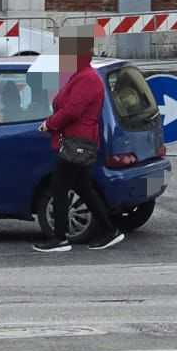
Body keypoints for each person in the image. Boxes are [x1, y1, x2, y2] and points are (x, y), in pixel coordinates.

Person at [33, 26, 122, 253]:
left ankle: (60, 238)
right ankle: (109, 230)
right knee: (82, 187)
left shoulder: (87, 78)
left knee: (59, 188)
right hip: (77, 140)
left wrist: (49, 124)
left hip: (77, 141)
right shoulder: (81, 76)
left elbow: (72, 110)